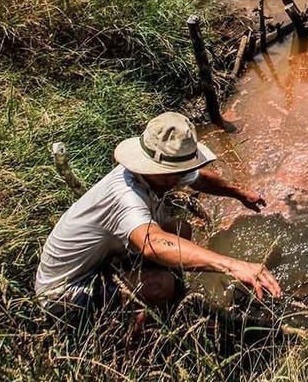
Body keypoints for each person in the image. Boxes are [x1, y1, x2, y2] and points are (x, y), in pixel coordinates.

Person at [34, 112, 282, 317]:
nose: (178, 180)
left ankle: (165, 305)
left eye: (181, 171)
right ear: (150, 166)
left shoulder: (158, 172)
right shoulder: (126, 195)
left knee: (180, 230)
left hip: (102, 261)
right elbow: (152, 244)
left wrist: (240, 194)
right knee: (162, 284)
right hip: (64, 293)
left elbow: (197, 179)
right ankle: (138, 338)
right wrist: (232, 265)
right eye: (172, 174)